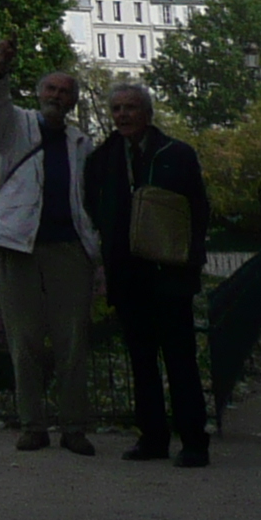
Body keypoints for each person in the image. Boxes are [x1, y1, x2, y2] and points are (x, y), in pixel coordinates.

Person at [0, 36, 99, 454]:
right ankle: (32, 424)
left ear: (73, 102)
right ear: (38, 93)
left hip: (69, 247)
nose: (57, 96)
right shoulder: (17, 127)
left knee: (72, 342)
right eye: (51, 89)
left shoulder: (81, 143)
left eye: (65, 92)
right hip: (19, 245)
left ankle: (74, 425)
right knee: (24, 340)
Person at [83, 82, 212, 467]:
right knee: (141, 360)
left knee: (180, 359)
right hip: (128, 273)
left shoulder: (176, 154)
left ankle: (193, 439)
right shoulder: (102, 159)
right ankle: (152, 436)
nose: (122, 115)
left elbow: (197, 210)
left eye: (131, 107)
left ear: (147, 112)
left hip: (169, 272)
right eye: (117, 108)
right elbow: (95, 208)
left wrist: (188, 258)